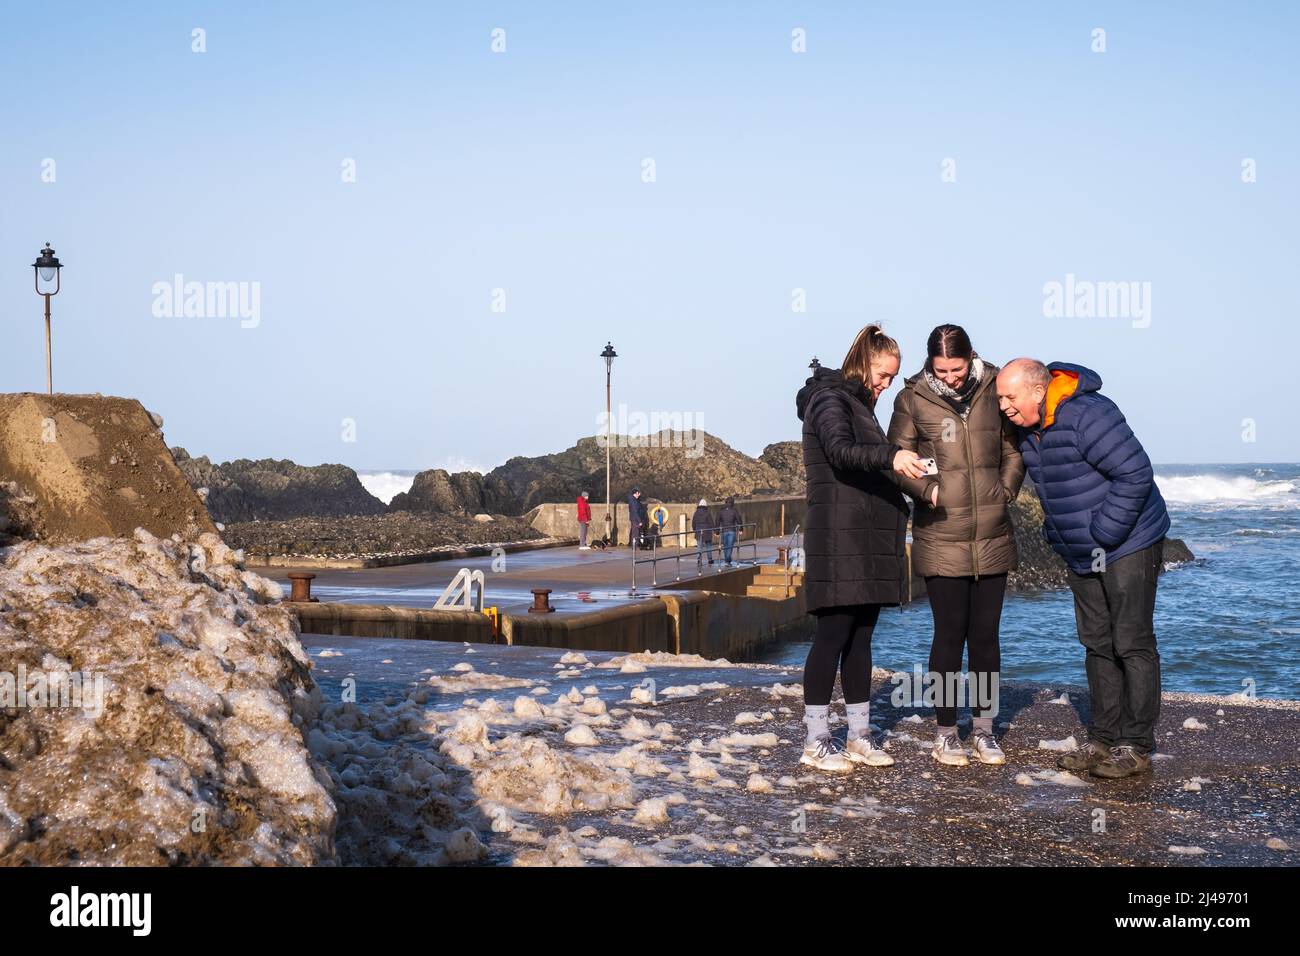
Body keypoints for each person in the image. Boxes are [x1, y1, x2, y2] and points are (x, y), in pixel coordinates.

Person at [997, 359, 1170, 779]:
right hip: (1082, 550)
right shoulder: (1029, 426)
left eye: (1009, 397)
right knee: (1097, 642)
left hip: (1130, 541)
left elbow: (1134, 473)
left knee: (1131, 641)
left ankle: (1135, 746)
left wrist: (1103, 532)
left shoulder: (1089, 414)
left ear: (1038, 392)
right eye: (1000, 397)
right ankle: (1104, 740)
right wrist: (1060, 534)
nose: (1003, 405)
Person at [887, 325, 1024, 767]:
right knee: (948, 637)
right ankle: (947, 733)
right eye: (941, 369)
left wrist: (1004, 492)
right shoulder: (911, 399)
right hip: (940, 534)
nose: (949, 377)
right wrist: (927, 491)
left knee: (985, 638)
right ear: (930, 363)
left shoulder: (993, 386)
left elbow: (1013, 450)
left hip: (993, 534)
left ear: (971, 359)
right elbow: (897, 460)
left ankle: (984, 731)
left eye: (957, 368)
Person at [795, 323, 929, 772]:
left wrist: (915, 475)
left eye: (893, 377)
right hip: (839, 535)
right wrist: (890, 456)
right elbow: (840, 450)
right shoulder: (830, 399)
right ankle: (816, 741)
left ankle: (859, 736)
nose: (887, 384)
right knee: (832, 636)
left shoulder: (860, 404)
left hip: (867, 537)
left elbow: (869, 462)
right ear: (863, 361)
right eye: (883, 374)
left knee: (861, 639)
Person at [716, 496, 744, 566]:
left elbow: (717, 521)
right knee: (730, 546)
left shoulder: (721, 510)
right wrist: (741, 529)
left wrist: (717, 532)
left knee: (725, 546)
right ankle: (728, 559)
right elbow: (739, 519)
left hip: (724, 530)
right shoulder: (734, 510)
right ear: (732, 503)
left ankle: (727, 560)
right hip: (732, 530)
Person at [691, 499, 715, 569]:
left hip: (698, 531)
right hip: (707, 531)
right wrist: (714, 530)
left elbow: (693, 523)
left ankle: (699, 560)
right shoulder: (707, 513)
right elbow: (711, 523)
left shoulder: (696, 513)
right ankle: (710, 559)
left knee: (699, 547)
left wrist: (695, 530)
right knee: (709, 546)